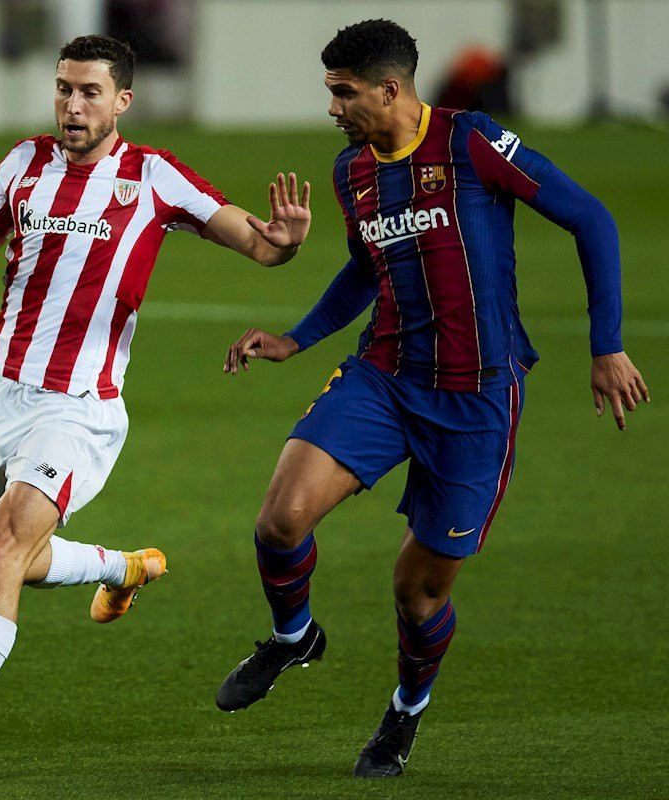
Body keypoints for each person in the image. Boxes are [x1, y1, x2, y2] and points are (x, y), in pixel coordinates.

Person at [215, 19, 649, 778]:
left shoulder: (472, 141)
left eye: (343, 94)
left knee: (416, 592)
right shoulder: (352, 171)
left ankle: (404, 714)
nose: (333, 110)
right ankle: (293, 638)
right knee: (280, 520)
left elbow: (590, 218)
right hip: (384, 376)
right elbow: (363, 268)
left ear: (390, 89)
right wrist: (297, 337)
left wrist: (606, 342)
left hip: (477, 400)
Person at [0, 34, 311, 773]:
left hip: (77, 406)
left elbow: (257, 241)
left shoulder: (154, 177)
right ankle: (122, 568)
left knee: (3, 550)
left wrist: (285, 243)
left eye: (88, 92)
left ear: (122, 102)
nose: (72, 105)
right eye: (63, 89)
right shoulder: (21, 164)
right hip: (0, 395)